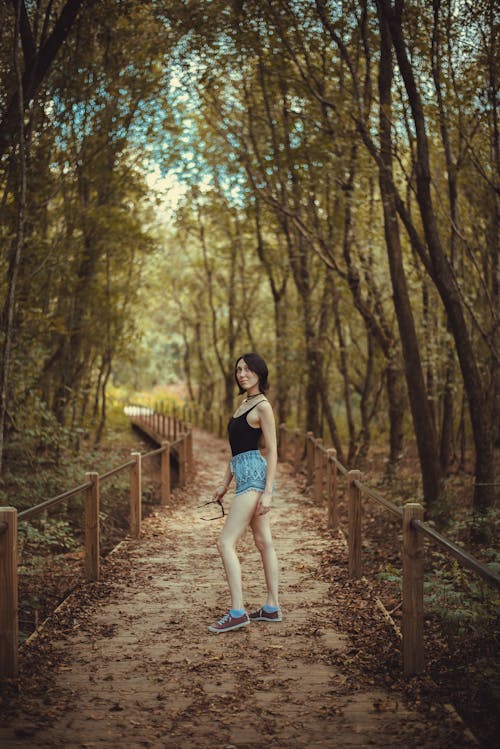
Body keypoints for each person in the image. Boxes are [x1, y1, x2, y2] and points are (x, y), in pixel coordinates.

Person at [208, 352, 281, 634]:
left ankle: (237, 611)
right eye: (239, 369)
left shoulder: (263, 406)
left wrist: (268, 492)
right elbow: (236, 451)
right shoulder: (244, 403)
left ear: (260, 373)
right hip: (242, 475)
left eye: (248, 369)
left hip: (255, 479)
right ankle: (271, 606)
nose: (242, 374)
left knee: (225, 542)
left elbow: (273, 451)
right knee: (263, 542)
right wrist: (224, 484)